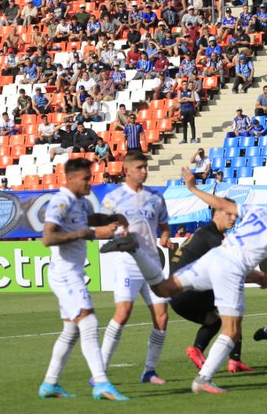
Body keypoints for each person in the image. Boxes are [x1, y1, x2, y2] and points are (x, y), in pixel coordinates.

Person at [101, 168, 267, 394]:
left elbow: (221, 203)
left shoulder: (258, 209)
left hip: (215, 258)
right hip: (231, 270)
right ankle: (203, 379)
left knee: (162, 289)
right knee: (231, 330)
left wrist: (192, 188)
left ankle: (134, 250)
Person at [39, 159, 129, 401]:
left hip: (73, 272)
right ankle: (101, 383)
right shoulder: (60, 201)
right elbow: (47, 238)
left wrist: (114, 218)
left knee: (71, 331)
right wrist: (88, 234)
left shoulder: (81, 202)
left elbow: (93, 220)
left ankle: (50, 384)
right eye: (86, 179)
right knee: (88, 324)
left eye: (91, 177)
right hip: (64, 273)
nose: (91, 182)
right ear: (70, 180)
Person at [99, 151, 172, 384]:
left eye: (145, 167)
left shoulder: (156, 197)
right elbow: (101, 230)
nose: (144, 171)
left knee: (161, 318)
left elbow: (164, 225)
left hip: (152, 262)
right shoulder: (113, 198)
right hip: (127, 263)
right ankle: (99, 371)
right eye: (139, 167)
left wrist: (166, 237)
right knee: (123, 313)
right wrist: (115, 230)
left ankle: (150, 371)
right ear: (126, 169)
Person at [170, 201, 260, 373]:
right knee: (232, 305)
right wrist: (263, 277)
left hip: (177, 296)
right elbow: (236, 266)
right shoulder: (214, 238)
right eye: (229, 214)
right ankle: (233, 361)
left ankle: (198, 350)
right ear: (216, 214)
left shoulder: (205, 233)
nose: (234, 219)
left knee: (214, 320)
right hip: (187, 292)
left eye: (235, 215)